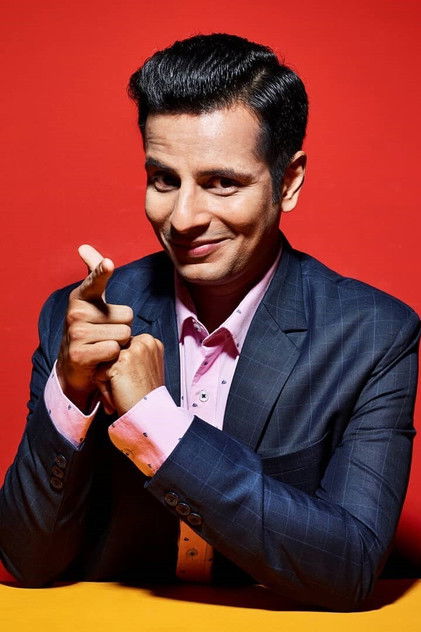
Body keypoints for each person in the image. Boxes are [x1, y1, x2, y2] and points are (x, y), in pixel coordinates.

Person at [0, 33, 419, 611]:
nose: (182, 218)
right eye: (164, 179)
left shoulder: (374, 335)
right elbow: (26, 561)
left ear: (289, 181)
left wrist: (154, 421)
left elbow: (349, 570)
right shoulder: (80, 319)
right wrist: (71, 395)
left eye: (222, 183)